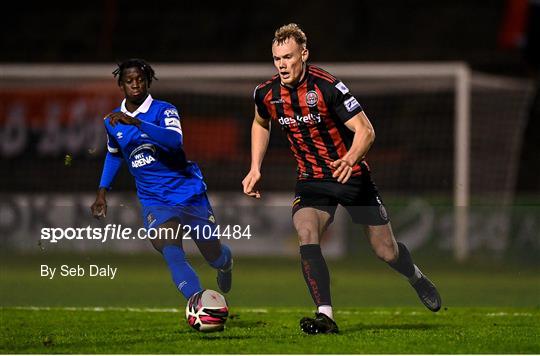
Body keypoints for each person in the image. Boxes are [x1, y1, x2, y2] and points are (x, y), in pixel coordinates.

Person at [242, 24, 441, 334]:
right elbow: (260, 122)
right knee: (306, 231)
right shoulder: (266, 93)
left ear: (304, 54)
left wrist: (350, 158)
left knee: (386, 251)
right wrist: (255, 167)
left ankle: (415, 277)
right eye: (276, 58)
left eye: (288, 57)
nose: (281, 64)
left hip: (350, 176)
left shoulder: (328, 87)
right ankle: (326, 315)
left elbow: (366, 130)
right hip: (311, 180)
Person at [91, 58, 233, 301]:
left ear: (148, 82)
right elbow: (114, 156)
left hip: (187, 192)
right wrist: (102, 191)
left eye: (140, 80)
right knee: (171, 250)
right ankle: (197, 302)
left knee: (212, 253)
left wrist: (137, 122)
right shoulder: (112, 121)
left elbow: (173, 141)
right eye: (129, 81)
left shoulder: (164, 110)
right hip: (154, 199)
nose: (135, 84)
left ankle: (225, 263)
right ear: (121, 85)